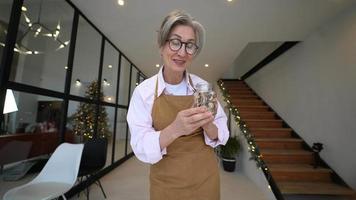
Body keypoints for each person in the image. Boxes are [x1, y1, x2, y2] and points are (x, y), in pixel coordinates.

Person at [127, 10, 229, 200]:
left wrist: (208, 124)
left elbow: (222, 135)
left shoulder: (203, 88)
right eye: (175, 42)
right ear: (161, 45)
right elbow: (140, 145)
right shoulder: (144, 92)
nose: (182, 52)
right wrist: (175, 129)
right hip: (166, 185)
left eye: (189, 45)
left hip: (206, 180)